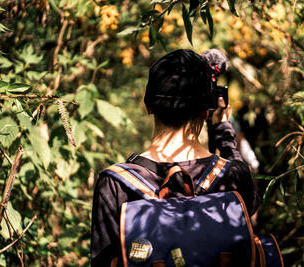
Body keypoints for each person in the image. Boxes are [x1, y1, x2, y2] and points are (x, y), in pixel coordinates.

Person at [90, 49, 259, 267]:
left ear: (148, 106)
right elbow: (249, 209)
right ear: (205, 112)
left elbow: (102, 262)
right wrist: (224, 136)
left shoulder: (115, 183)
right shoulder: (234, 175)